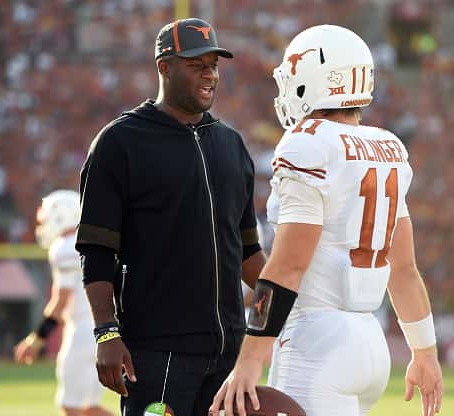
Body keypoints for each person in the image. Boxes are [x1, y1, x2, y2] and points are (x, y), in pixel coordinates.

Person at [210, 25, 444, 416]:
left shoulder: (307, 144)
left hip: (316, 341)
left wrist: (251, 357)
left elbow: (288, 266)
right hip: (370, 343)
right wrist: (425, 352)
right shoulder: (388, 147)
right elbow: (403, 270)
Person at [75, 18, 266, 416]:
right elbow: (96, 251)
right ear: (164, 66)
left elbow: (247, 251)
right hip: (158, 351)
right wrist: (106, 333)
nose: (210, 74)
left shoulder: (231, 144)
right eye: (197, 64)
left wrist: (284, 307)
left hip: (228, 350)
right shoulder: (119, 142)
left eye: (213, 64)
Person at [14, 190, 113, 416]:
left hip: (82, 331)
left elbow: (61, 300)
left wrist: (36, 338)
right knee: (90, 408)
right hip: (106, 330)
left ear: (61, 216)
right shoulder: (94, 242)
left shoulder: (64, 248)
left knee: (71, 406)